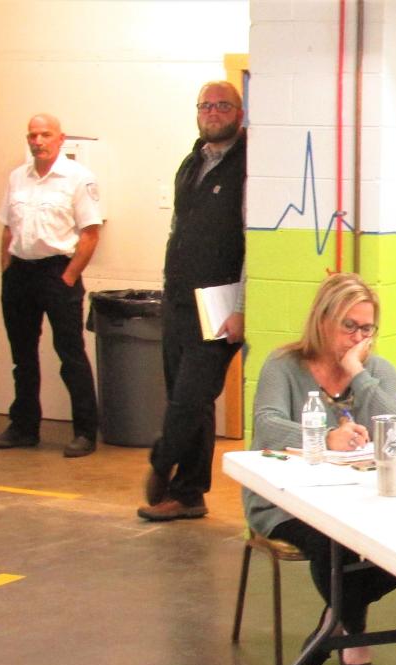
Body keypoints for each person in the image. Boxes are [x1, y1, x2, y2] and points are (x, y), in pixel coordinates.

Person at [243, 273, 396, 665]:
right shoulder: (284, 365)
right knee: (334, 543)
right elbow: (267, 425)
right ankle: (354, 635)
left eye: (366, 329)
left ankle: (333, 621)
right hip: (285, 501)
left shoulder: (378, 371)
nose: (357, 337)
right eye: (349, 326)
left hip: (360, 497)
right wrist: (325, 438)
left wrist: (358, 375)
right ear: (323, 320)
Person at [138, 80, 247, 521]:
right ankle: (188, 494)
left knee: (190, 396)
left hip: (220, 305)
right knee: (190, 402)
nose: (213, 112)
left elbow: (253, 243)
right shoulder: (192, 162)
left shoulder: (248, 167)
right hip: (179, 300)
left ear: (239, 114)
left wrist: (243, 306)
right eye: (206, 105)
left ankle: (162, 461)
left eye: (223, 105)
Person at [0, 113, 101, 458]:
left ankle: (84, 432)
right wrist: (6, 269)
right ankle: (23, 427)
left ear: (60, 138)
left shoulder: (78, 179)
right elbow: (8, 227)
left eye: (45, 135)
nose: (38, 141)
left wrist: (68, 277)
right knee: (22, 357)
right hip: (20, 272)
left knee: (70, 355)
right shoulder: (17, 178)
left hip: (58, 272)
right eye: (33, 135)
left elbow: (91, 233)